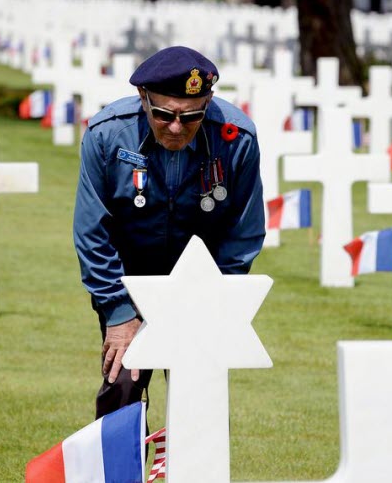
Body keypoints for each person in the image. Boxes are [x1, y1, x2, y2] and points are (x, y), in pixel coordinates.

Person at [73, 45, 266, 419]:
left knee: (199, 402)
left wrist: (212, 300)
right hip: (130, 284)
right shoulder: (108, 134)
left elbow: (244, 231)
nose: (177, 127)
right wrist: (118, 311)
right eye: (164, 114)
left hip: (202, 285)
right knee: (122, 388)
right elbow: (92, 230)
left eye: (191, 116)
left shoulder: (237, 139)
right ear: (143, 98)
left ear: (208, 101)